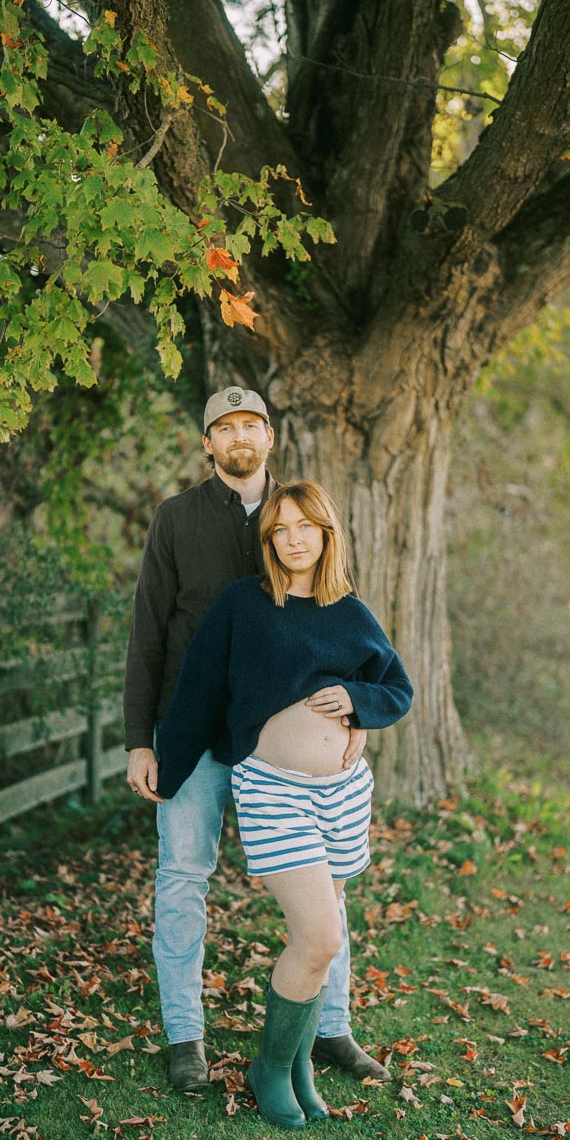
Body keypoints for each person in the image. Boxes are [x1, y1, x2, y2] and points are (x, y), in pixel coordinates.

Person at [124, 388, 390, 1093]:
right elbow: (148, 631)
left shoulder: (298, 513)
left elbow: (339, 630)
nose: (239, 435)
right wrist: (138, 739)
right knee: (183, 874)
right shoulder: (176, 519)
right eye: (224, 427)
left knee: (329, 889)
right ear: (208, 443)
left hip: (283, 751)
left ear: (270, 437)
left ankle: (331, 1026)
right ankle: (185, 1035)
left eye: (252, 424)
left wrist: (356, 712)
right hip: (193, 727)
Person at [154, 481, 413, 1128]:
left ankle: (298, 1061)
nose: (294, 538)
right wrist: (165, 768)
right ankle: (269, 1068)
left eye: (306, 526)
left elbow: (397, 688)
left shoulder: (349, 612)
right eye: (280, 529)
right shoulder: (243, 603)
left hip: (343, 794)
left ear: (327, 534)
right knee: (320, 934)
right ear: (268, 541)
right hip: (274, 790)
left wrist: (359, 703)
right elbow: (197, 690)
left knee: (320, 934)